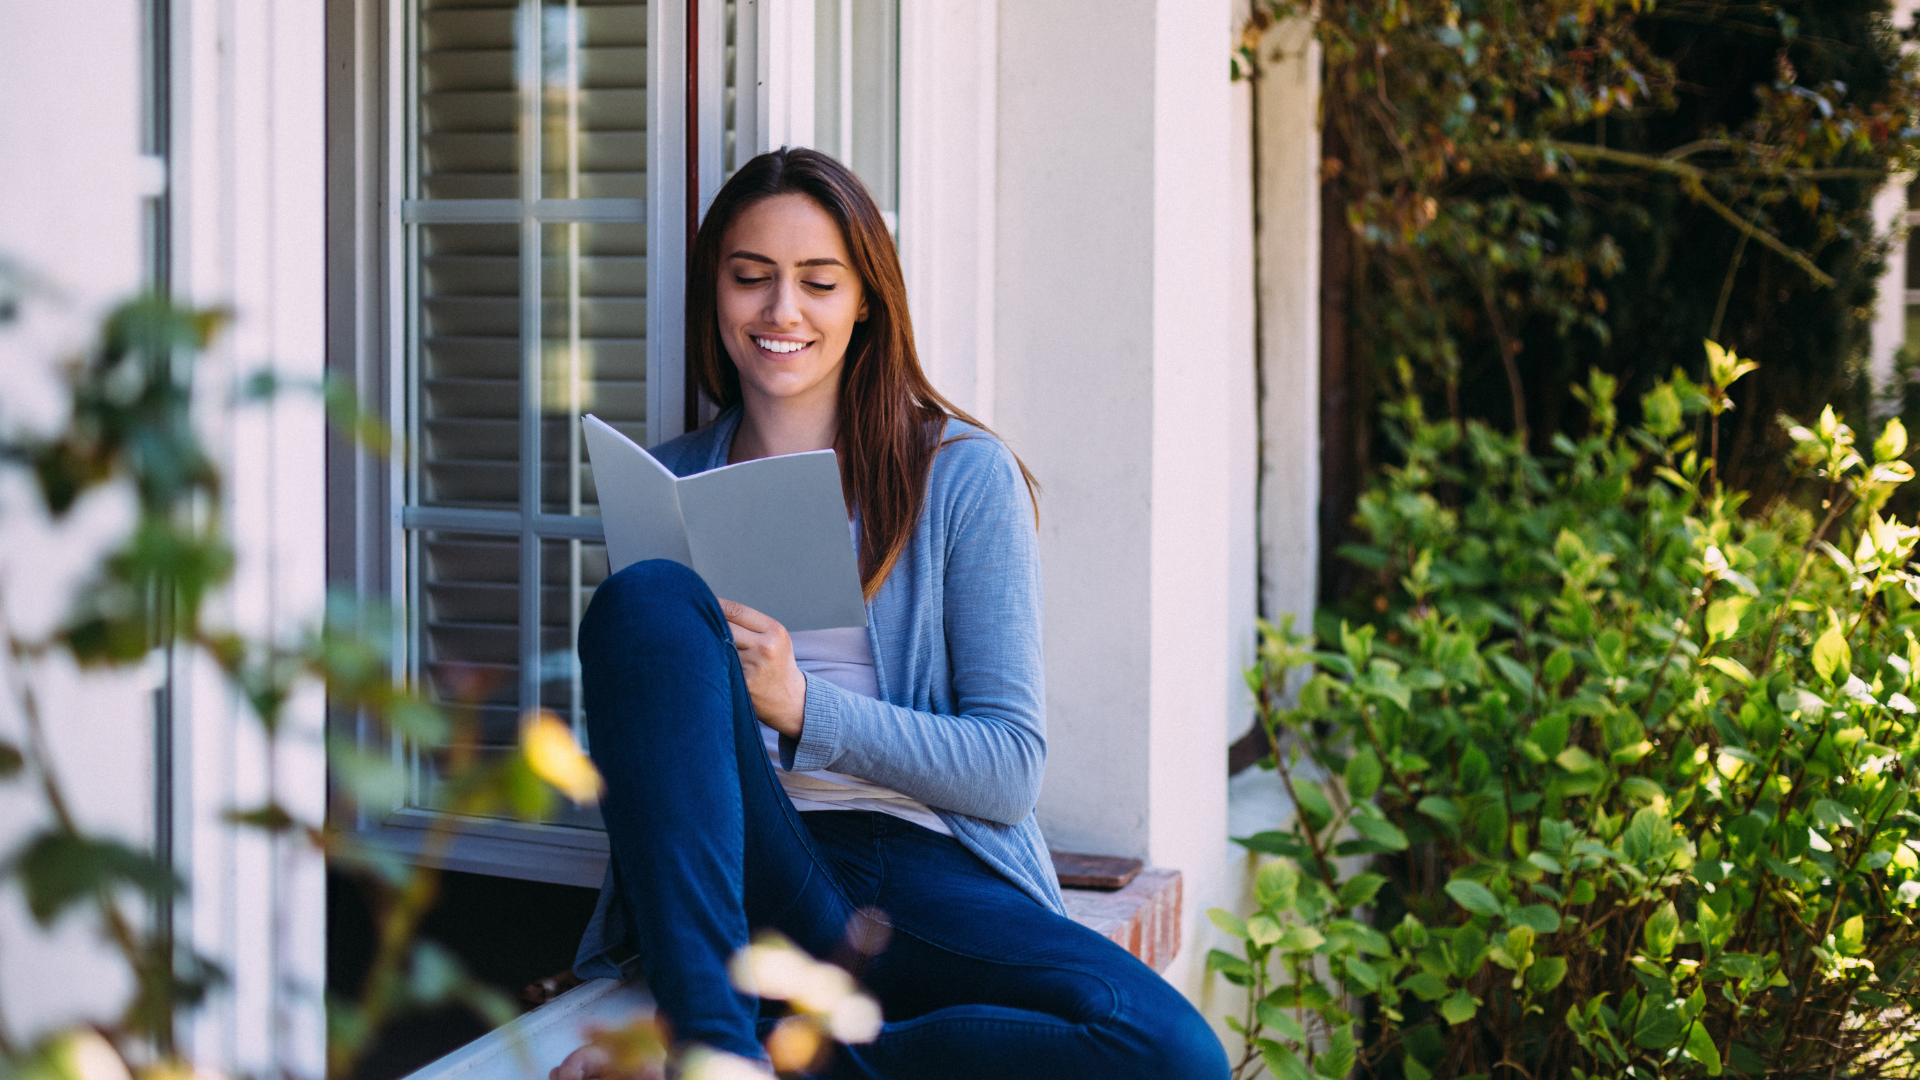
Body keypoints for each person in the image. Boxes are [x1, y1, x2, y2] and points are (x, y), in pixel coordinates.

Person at [554, 148, 1228, 1080]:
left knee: (1170, 1053)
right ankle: (716, 1036)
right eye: (751, 278)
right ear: (716, 292)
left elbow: (1009, 769)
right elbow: (649, 745)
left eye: (818, 282)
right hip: (750, 865)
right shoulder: (671, 483)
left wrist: (801, 707)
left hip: (924, 873)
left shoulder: (959, 475)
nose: (782, 311)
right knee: (646, 603)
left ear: (865, 298)